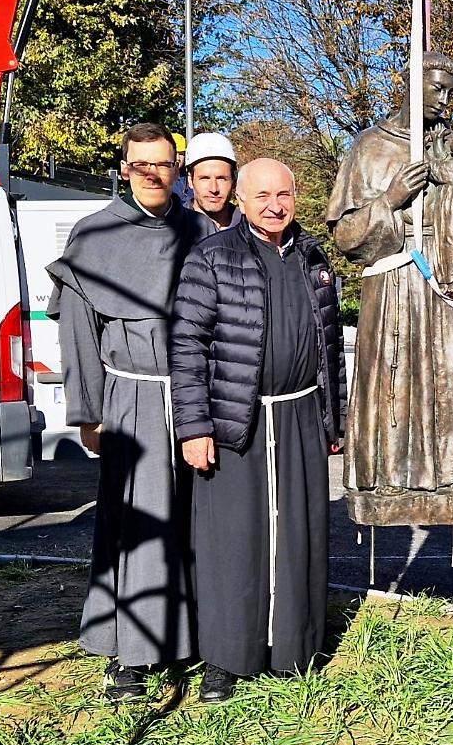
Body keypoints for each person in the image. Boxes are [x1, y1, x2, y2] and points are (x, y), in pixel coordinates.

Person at [46, 123, 214, 701]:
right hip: (130, 398)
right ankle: (131, 656)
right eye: (141, 163)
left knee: (197, 521)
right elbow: (78, 334)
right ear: (124, 168)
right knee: (136, 524)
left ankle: (194, 639)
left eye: (163, 163)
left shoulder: (203, 232)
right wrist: (87, 411)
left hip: (196, 397)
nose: (152, 172)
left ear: (176, 168)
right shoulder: (93, 237)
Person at [171, 158, 345, 702]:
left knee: (300, 534)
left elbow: (330, 347)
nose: (275, 205)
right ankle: (226, 658)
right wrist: (194, 425)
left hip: (300, 415)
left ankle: (296, 648)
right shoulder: (212, 257)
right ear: (240, 201)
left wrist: (332, 419)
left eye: (284, 194)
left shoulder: (315, 259)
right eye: (263, 195)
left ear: (296, 196)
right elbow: (188, 345)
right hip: (234, 419)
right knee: (232, 542)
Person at [326, 51, 453, 528]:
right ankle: (387, 482)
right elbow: (346, 238)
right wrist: (392, 199)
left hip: (441, 289)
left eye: (451, 91)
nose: (445, 100)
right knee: (392, 385)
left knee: (448, 381)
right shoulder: (369, 148)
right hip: (392, 290)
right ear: (411, 84)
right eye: (436, 88)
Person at [185, 131, 241, 230]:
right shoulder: (172, 229)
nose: (214, 189)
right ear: (190, 180)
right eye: (205, 178)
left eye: (221, 179)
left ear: (234, 181)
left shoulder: (250, 227)